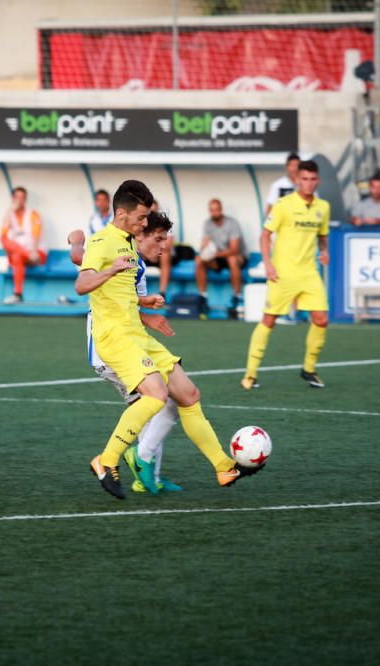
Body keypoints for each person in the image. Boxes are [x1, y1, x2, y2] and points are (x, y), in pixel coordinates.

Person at [76, 180, 256, 500]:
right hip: (114, 337)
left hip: (137, 333)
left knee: (188, 393)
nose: (145, 223)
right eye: (143, 218)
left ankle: (223, 466)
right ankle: (107, 461)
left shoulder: (129, 243)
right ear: (122, 213)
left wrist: (146, 304)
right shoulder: (105, 240)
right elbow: (83, 283)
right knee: (156, 397)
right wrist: (106, 268)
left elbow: (116, 286)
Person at [68, 211, 183, 495]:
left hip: (127, 341)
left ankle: (147, 475)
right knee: (158, 402)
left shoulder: (137, 266)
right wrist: (76, 244)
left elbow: (131, 306)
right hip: (107, 349)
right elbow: (84, 264)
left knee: (157, 405)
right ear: (139, 235)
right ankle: (129, 464)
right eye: (156, 238)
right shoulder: (117, 251)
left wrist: (148, 315)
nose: (162, 246)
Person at [242, 160, 330, 391]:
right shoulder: (283, 205)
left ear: (317, 180)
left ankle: (309, 369)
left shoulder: (323, 207)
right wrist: (268, 265)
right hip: (282, 274)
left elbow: (322, 235)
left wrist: (324, 251)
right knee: (269, 321)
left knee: (322, 319)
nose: (309, 183)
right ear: (297, 180)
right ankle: (250, 375)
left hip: (310, 273)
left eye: (313, 179)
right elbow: (264, 235)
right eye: (304, 179)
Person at [194, 198, 247, 315]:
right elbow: (204, 244)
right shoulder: (207, 224)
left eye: (216, 210)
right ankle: (203, 297)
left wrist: (214, 254)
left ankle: (236, 297)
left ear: (221, 210)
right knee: (199, 260)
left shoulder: (232, 223)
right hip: (218, 257)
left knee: (232, 259)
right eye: (211, 210)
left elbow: (234, 249)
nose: (214, 213)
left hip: (237, 257)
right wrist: (205, 252)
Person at [0, 186, 48, 304]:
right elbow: (3, 234)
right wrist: (9, 210)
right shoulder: (10, 214)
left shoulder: (32, 213)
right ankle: (18, 294)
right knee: (8, 245)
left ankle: (17, 293)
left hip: (36, 253)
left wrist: (33, 251)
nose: (19, 200)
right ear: (13, 198)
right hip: (22, 254)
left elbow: (37, 233)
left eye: (22, 197)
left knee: (16, 255)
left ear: (25, 199)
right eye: (17, 197)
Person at [265, 153, 300, 217]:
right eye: (292, 165)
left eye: (297, 165)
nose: (294, 168)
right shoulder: (278, 185)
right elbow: (270, 207)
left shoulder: (307, 183)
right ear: (287, 167)